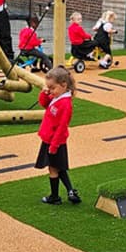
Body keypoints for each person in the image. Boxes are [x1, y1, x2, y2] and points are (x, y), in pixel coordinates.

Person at [35, 66, 81, 205]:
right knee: (58, 167)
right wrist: (45, 93)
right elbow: (44, 103)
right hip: (49, 139)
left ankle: (55, 197)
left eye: (52, 88)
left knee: (53, 168)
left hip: (55, 141)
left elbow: (62, 127)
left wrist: (54, 145)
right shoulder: (57, 97)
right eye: (48, 87)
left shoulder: (65, 103)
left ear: (63, 85)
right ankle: (70, 191)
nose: (50, 90)